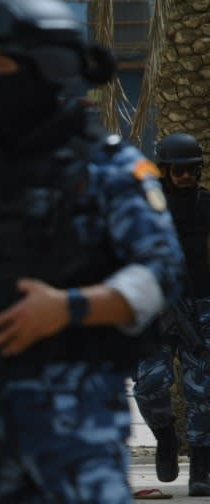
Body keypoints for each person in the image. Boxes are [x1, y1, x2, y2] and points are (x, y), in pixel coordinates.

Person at [0, 0, 186, 502]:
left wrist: (70, 307)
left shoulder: (110, 169)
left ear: (46, 67)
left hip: (75, 443)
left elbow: (161, 273)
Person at [133, 132, 210, 496]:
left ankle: (201, 466)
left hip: (201, 309)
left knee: (203, 392)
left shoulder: (206, 205)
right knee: (149, 385)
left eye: (190, 170)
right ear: (164, 170)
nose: (184, 177)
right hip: (155, 307)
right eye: (177, 171)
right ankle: (165, 437)